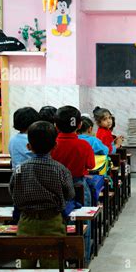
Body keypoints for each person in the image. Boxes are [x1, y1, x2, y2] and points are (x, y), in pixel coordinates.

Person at [10, 121, 75, 268]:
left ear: (29, 147)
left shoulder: (20, 169)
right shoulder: (60, 169)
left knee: (24, 266)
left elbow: (13, 193)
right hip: (52, 221)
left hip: (26, 221)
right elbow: (70, 194)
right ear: (55, 146)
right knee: (53, 267)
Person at [51, 106, 95, 263]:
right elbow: (91, 165)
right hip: (79, 186)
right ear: (79, 125)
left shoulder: (52, 144)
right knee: (82, 225)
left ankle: (61, 258)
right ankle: (82, 261)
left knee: (58, 224)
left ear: (55, 125)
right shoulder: (84, 145)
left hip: (54, 187)